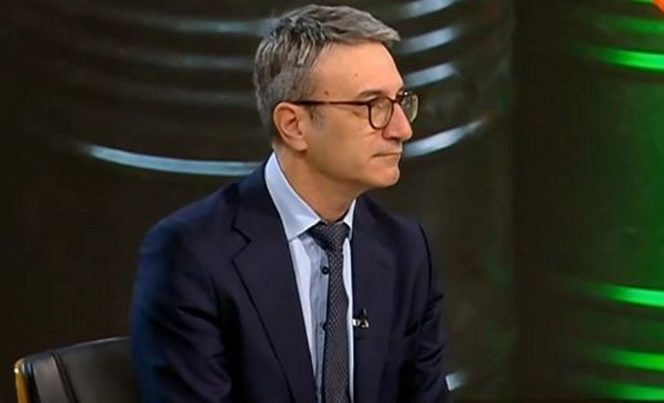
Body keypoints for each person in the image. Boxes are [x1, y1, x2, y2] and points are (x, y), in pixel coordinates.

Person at [130, 4, 451, 403]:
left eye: (400, 101)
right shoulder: (191, 255)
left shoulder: (407, 251)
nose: (402, 129)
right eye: (372, 106)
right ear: (294, 125)